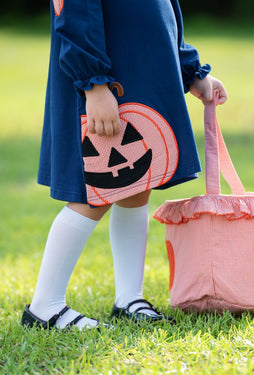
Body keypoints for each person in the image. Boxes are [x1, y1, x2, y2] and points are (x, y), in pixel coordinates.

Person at [21, 0, 227, 330]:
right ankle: (45, 305)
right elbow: (74, 13)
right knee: (96, 188)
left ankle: (129, 296)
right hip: (105, 76)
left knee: (137, 184)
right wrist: (94, 83)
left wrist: (191, 71)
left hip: (141, 68)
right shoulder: (95, 81)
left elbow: (166, 11)